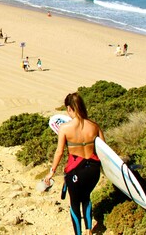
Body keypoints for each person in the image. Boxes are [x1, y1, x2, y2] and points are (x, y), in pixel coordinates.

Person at [44, 93, 105, 235]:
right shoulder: (94, 126)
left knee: (75, 204)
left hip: (76, 171)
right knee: (86, 197)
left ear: (69, 108)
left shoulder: (65, 128)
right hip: (93, 170)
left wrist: (51, 171)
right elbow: (103, 149)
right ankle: (89, 229)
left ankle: (78, 233)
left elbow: (59, 152)